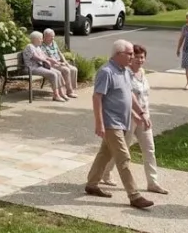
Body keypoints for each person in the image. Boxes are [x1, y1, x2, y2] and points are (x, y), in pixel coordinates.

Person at [83, 39, 155, 210]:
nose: (133, 56)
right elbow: (97, 97)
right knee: (124, 158)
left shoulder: (124, 71)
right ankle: (134, 196)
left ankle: (92, 184)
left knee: (104, 154)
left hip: (123, 122)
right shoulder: (106, 72)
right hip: (111, 123)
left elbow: (130, 95)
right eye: (129, 53)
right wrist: (99, 123)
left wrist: (141, 114)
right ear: (118, 54)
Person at [100, 44, 168, 194]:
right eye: (136, 57)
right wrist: (135, 115)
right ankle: (106, 173)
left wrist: (144, 115)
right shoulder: (125, 74)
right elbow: (124, 99)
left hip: (144, 116)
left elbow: (143, 97)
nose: (139, 60)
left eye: (142, 57)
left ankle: (153, 182)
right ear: (130, 58)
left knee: (149, 149)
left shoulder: (143, 73)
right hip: (128, 118)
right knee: (123, 150)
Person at [24, 32, 67, 102]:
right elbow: (35, 57)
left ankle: (61, 93)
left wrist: (53, 61)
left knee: (58, 72)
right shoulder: (30, 46)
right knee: (53, 74)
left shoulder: (37, 47)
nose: (42, 40)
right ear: (35, 39)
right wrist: (46, 61)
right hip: (32, 68)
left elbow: (45, 56)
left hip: (39, 67)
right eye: (40, 38)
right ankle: (56, 95)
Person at [41, 28, 79, 98]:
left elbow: (59, 53)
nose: (53, 38)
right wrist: (59, 64)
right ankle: (69, 91)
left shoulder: (54, 43)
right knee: (66, 70)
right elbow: (46, 58)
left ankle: (71, 89)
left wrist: (64, 61)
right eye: (51, 36)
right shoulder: (42, 46)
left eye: (53, 36)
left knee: (74, 69)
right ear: (45, 36)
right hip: (51, 64)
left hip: (59, 62)